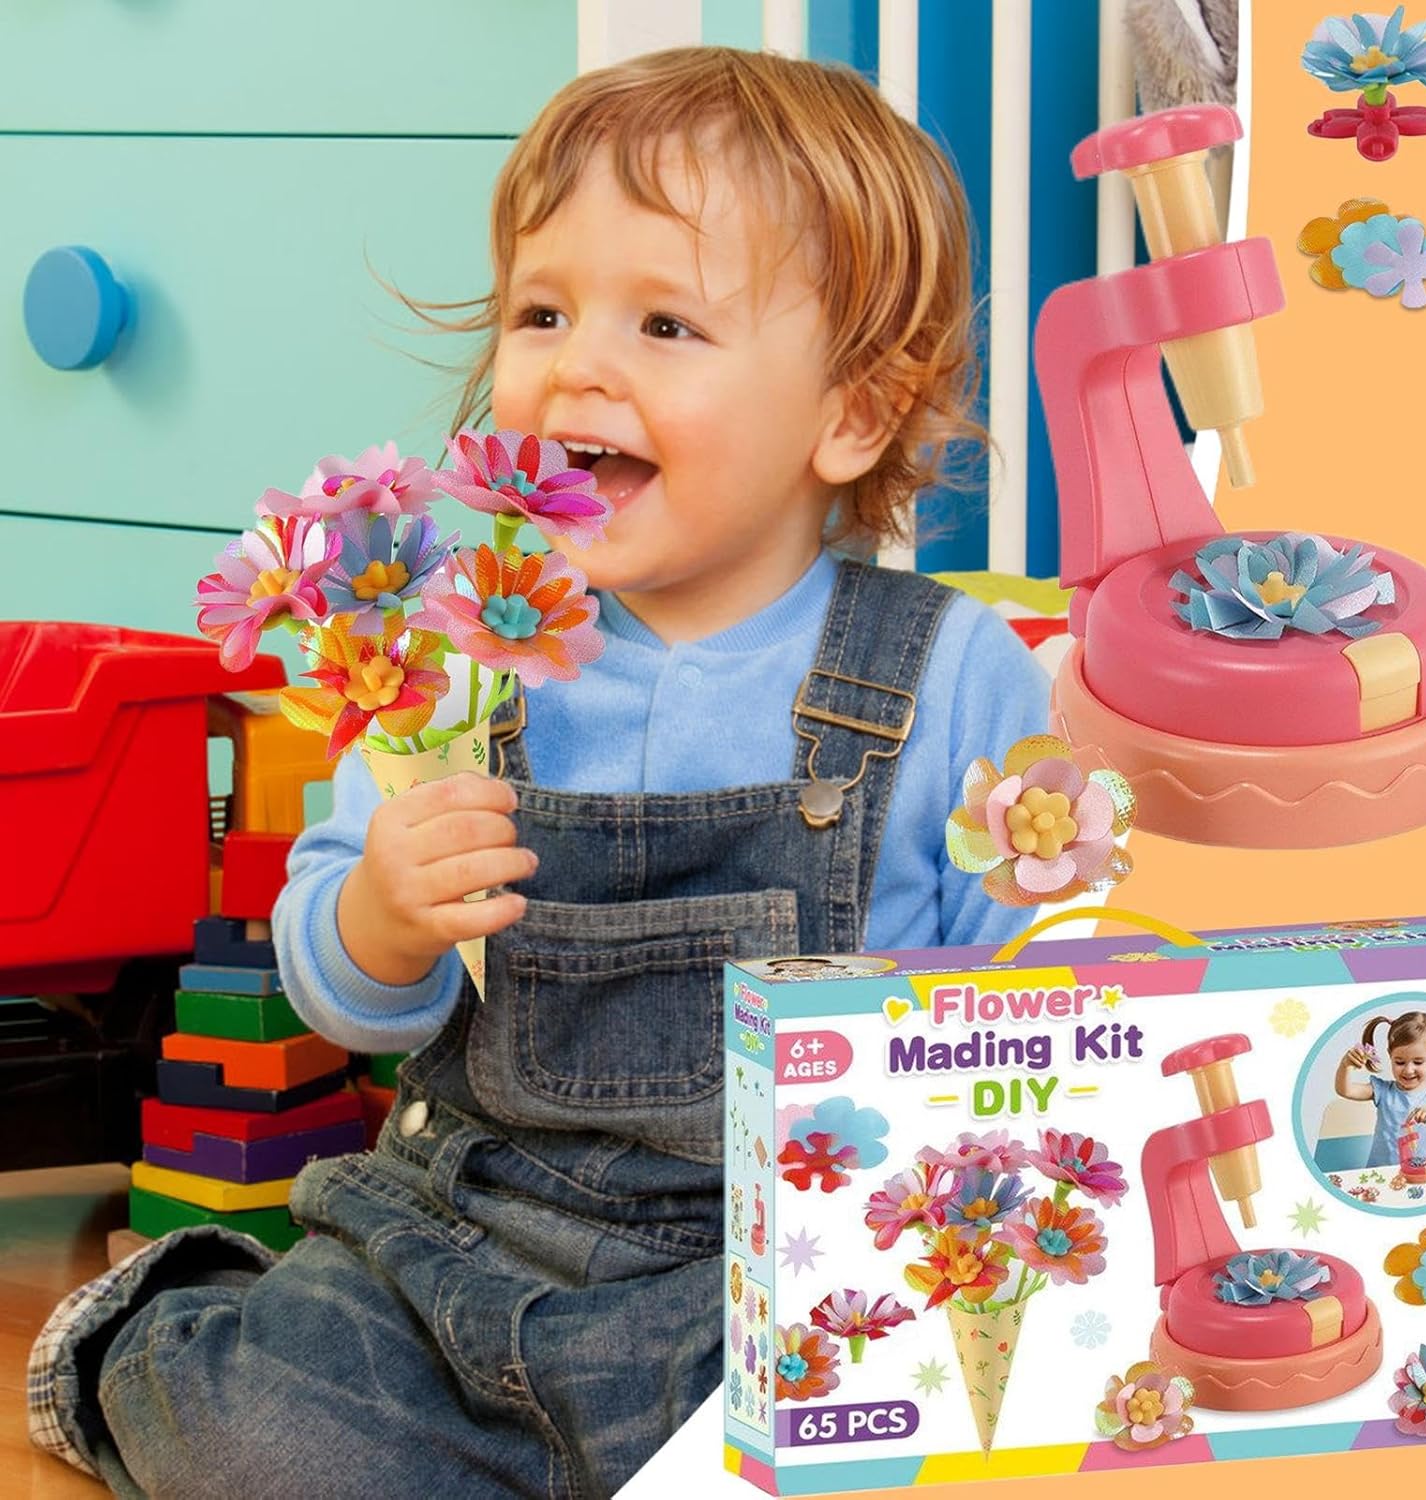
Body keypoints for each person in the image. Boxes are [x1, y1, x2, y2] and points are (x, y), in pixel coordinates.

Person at [29, 46, 1049, 1497]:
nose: (576, 365)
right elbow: (337, 987)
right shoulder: (455, 657)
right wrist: (383, 914)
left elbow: (1028, 989)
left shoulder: (954, 671)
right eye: (542, 312)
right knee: (273, 1443)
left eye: (667, 323)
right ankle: (155, 1331)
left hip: (777, 1279)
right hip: (457, 1248)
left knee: (901, 1426)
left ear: (851, 415)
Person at [1335, 1010, 1426, 1169]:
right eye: (1400, 1062)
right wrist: (1345, 1066)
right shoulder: (1383, 1091)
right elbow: (1345, 1090)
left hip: (1423, 1173)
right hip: (1382, 1172)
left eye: (1418, 1062)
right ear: (1390, 1055)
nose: (1408, 1070)